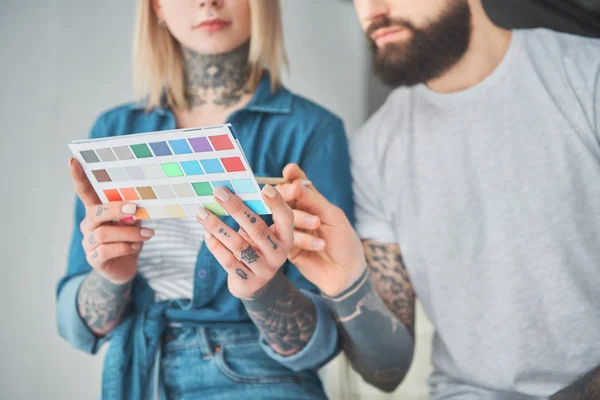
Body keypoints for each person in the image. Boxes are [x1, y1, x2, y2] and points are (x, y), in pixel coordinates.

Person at [276, 0, 600, 398]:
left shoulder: (587, 75)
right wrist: (348, 284)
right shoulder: (375, 147)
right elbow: (386, 373)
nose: (371, 11)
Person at [56, 0, 353, 399]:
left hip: (261, 378)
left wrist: (263, 289)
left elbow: (323, 342)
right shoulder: (113, 130)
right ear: (157, 8)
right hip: (136, 374)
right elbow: (77, 328)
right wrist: (112, 277)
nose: (207, 2)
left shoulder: (313, 131)